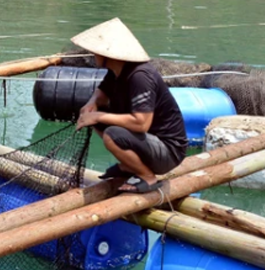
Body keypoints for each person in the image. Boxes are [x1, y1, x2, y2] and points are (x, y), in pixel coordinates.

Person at [72, 17, 187, 194]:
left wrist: (97, 116)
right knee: (97, 118)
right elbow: (101, 92)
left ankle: (146, 177)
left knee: (112, 133)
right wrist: (91, 105)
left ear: (107, 54)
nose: (93, 56)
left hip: (168, 150)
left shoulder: (140, 76)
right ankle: (128, 166)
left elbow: (141, 123)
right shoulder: (116, 71)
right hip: (147, 142)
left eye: (96, 52)